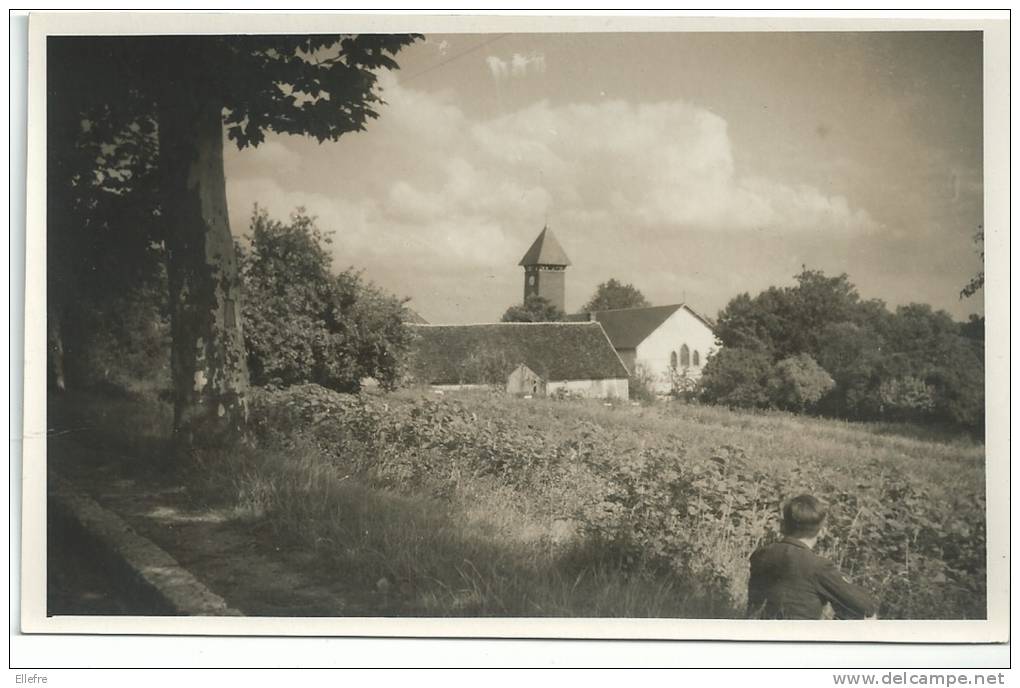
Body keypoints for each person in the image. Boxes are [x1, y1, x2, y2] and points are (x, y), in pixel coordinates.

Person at [747, 493, 878, 620]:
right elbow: (866, 607)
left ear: (782, 526)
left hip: (760, 633)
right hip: (800, 636)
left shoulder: (759, 555)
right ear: (821, 532)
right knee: (866, 617)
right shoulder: (818, 566)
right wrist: (843, 582)